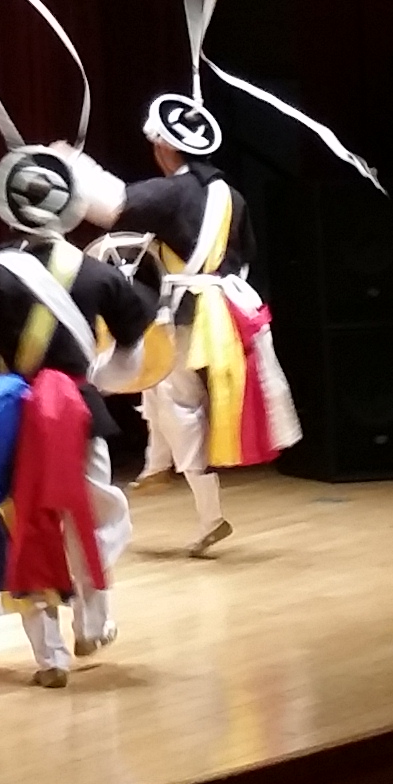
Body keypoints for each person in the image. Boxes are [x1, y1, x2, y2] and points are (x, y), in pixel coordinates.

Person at [0, 145, 158, 687]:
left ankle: (51, 658)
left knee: (21, 526)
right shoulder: (95, 273)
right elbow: (135, 346)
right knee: (89, 514)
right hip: (82, 413)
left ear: (9, 207)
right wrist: (100, 378)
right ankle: (94, 621)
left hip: (15, 421)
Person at [117, 92, 302, 558]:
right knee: (161, 389)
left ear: (163, 145)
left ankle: (209, 515)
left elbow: (110, 205)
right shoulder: (232, 196)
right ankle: (157, 465)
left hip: (189, 313)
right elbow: (247, 255)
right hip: (224, 308)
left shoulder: (170, 192)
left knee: (177, 401)